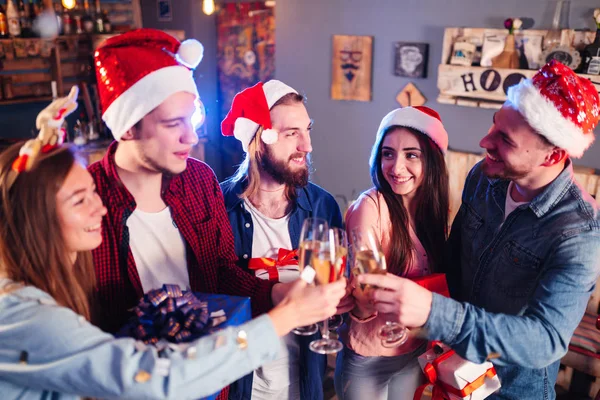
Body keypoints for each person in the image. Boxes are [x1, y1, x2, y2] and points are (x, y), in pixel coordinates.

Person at [0, 93, 347, 400]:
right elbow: (153, 376)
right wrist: (286, 316)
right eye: (80, 199)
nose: (101, 208)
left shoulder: (199, 182)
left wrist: (277, 296)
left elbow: (221, 275)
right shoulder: (22, 316)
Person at [358, 60, 600, 399]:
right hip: (449, 369)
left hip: (511, 390)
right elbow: (454, 264)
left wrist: (434, 312)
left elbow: (546, 341)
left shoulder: (579, 231)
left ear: (552, 155)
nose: (485, 141)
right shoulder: (484, 177)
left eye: (505, 139)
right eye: (493, 125)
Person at [220, 80, 353, 399]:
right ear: (259, 140)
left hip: (304, 383)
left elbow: (334, 293)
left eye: (307, 130)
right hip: (240, 384)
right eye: (292, 133)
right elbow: (214, 291)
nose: (306, 145)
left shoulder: (322, 207)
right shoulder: (217, 206)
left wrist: (338, 304)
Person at [334, 106, 449, 400]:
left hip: (415, 350)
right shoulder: (369, 208)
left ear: (432, 162)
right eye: (388, 154)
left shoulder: (435, 212)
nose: (396, 168)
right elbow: (366, 288)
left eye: (411, 155)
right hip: (371, 357)